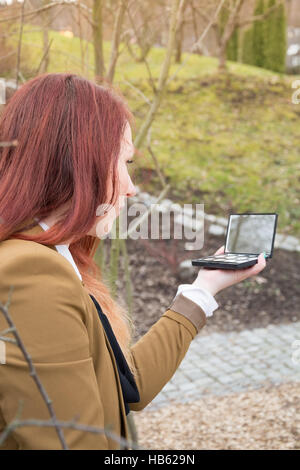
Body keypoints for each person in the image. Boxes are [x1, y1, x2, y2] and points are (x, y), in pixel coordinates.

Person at [0, 73, 266, 450]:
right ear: (79, 163)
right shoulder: (30, 274)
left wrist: (205, 288)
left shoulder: (49, 256)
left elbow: (127, 384)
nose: (130, 186)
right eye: (122, 162)